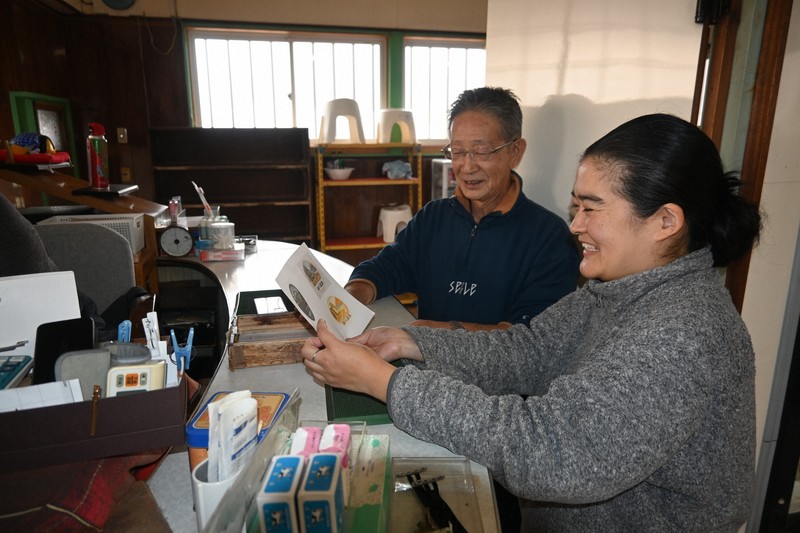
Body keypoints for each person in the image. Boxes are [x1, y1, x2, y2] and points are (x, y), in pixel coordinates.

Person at [302, 113, 762, 531]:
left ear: (665, 221)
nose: (575, 226)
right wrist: (407, 342)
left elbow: (554, 450)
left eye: (591, 208)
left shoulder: (683, 333)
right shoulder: (616, 290)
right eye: (575, 207)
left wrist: (388, 384)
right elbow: (528, 349)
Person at [345, 87, 580, 331]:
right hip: (421, 363)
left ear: (515, 152)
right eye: (457, 152)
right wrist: (353, 293)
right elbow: (390, 266)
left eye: (481, 151)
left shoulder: (549, 237)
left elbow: (529, 335)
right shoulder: (433, 217)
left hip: (495, 369)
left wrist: (432, 333)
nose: (466, 167)